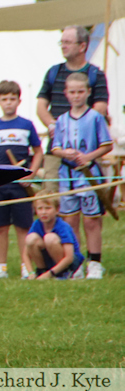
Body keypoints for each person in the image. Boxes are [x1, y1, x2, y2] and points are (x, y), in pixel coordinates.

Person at [50, 72, 112, 279]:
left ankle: (94, 261)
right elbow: (55, 147)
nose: (76, 96)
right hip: (67, 175)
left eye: (80, 92)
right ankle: (75, 261)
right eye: (72, 92)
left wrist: (88, 157)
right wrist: (64, 153)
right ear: (66, 94)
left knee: (91, 220)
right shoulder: (61, 120)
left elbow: (106, 144)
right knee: (70, 220)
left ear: (88, 92)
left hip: (88, 174)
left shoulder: (95, 117)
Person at [0, 81, 43, 280]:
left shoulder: (26, 125)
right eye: (4, 99)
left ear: (19, 100)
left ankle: (26, 265)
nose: (8, 103)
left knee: (23, 226)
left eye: (12, 99)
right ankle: (1, 267)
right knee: (0, 227)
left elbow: (38, 151)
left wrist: (31, 174)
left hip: (20, 185)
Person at [37, 25, 109, 194]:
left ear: (82, 46)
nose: (63, 46)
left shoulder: (95, 74)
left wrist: (74, 128)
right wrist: (53, 126)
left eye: (68, 42)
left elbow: (100, 108)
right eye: (61, 42)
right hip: (57, 151)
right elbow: (41, 106)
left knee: (90, 203)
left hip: (86, 151)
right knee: (53, 198)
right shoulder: (53, 73)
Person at [25, 195, 85, 280]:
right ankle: (42, 271)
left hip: (70, 262)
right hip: (50, 260)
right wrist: (30, 272)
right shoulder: (37, 224)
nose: (44, 212)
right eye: (40, 208)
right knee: (31, 238)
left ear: (57, 210)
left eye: (48, 208)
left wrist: (50, 273)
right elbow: (26, 252)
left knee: (50, 238)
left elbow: (69, 257)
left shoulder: (62, 226)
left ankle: (64, 272)